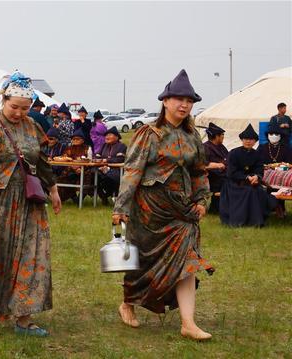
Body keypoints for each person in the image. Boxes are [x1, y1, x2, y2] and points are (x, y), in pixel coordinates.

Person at [112, 69, 214, 341]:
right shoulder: (150, 134)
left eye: (189, 101)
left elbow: (200, 172)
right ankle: (128, 303)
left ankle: (188, 323)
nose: (184, 105)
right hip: (149, 213)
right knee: (143, 263)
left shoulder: (193, 136)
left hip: (183, 212)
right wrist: (121, 208)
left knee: (188, 262)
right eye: (179, 99)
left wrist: (203, 200)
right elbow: (132, 170)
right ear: (165, 101)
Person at [0, 72, 62, 337]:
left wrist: (53, 190)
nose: (18, 112)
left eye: (24, 108)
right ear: (3, 99)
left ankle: (24, 317)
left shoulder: (33, 127)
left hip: (29, 202)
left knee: (33, 255)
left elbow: (41, 162)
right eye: (13, 106)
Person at [220, 124, 277, 227]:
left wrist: (257, 177)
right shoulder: (234, 153)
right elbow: (231, 172)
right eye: (246, 139)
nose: (248, 141)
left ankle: (256, 219)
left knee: (260, 191)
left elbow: (259, 169)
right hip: (234, 183)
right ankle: (243, 221)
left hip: (251, 182)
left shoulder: (257, 154)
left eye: (251, 139)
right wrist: (246, 177)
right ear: (242, 140)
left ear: (255, 141)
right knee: (249, 191)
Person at [256, 125, 292, 218]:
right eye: (271, 134)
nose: (273, 136)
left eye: (276, 134)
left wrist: (284, 165)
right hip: (265, 173)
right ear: (267, 135)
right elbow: (257, 162)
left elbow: (289, 163)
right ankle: (272, 207)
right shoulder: (261, 147)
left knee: (281, 180)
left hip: (282, 174)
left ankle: (280, 207)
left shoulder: (286, 148)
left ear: (280, 136)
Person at [58, 128, 93, 203]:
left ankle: (80, 198)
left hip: (84, 170)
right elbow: (64, 158)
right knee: (63, 177)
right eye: (73, 139)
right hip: (70, 169)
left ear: (83, 140)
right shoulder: (69, 148)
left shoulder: (88, 148)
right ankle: (74, 198)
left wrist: (80, 167)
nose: (75, 140)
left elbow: (89, 160)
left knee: (87, 177)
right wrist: (73, 167)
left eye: (77, 139)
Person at [95, 127, 127, 205]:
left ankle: (110, 194)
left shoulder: (122, 146)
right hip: (101, 169)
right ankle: (103, 196)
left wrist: (106, 161)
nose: (107, 137)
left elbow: (120, 159)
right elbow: (97, 156)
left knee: (110, 176)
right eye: (106, 135)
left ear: (117, 137)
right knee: (92, 175)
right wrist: (97, 160)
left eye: (109, 135)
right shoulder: (104, 145)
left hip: (117, 170)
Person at [203, 122, 228, 213]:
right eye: (222, 135)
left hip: (224, 173)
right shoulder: (205, 147)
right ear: (216, 136)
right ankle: (217, 207)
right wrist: (218, 165)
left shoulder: (221, 147)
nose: (223, 137)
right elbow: (203, 164)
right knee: (227, 181)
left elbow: (228, 158)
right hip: (212, 177)